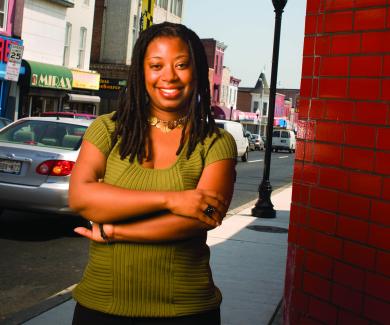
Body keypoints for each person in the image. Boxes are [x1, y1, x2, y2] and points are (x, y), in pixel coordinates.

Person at [68, 22, 237, 325]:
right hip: (102, 305)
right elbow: (81, 197)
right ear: (141, 73)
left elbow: (205, 215)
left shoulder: (215, 142)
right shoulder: (109, 130)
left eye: (181, 65)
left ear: (197, 71)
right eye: (156, 65)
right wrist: (173, 200)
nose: (169, 76)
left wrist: (115, 230)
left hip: (186, 309)